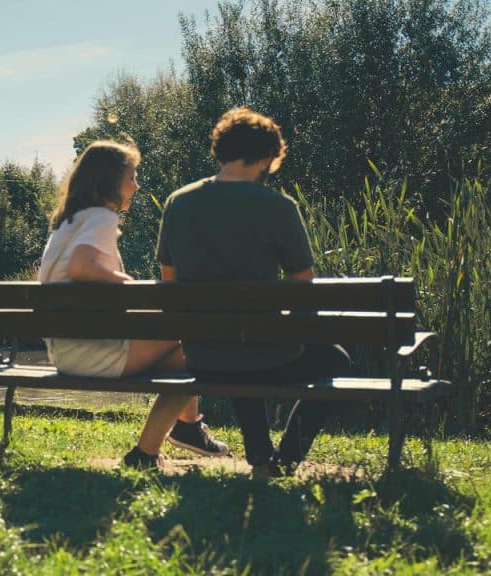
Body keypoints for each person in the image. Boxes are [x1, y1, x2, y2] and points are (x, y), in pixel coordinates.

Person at [155, 107, 351, 480]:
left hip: (203, 353)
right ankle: (285, 458)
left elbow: (169, 281)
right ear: (266, 156)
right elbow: (302, 286)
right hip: (266, 351)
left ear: (221, 150)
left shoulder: (178, 203)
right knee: (335, 360)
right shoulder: (278, 207)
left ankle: (261, 455)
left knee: (239, 342)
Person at [37, 140, 229, 468]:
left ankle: (186, 428)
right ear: (109, 180)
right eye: (131, 177)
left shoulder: (68, 222)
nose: (136, 185)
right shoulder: (101, 216)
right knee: (202, 347)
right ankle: (161, 443)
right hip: (94, 352)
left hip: (67, 350)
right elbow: (81, 267)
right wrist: (130, 286)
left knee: (184, 355)